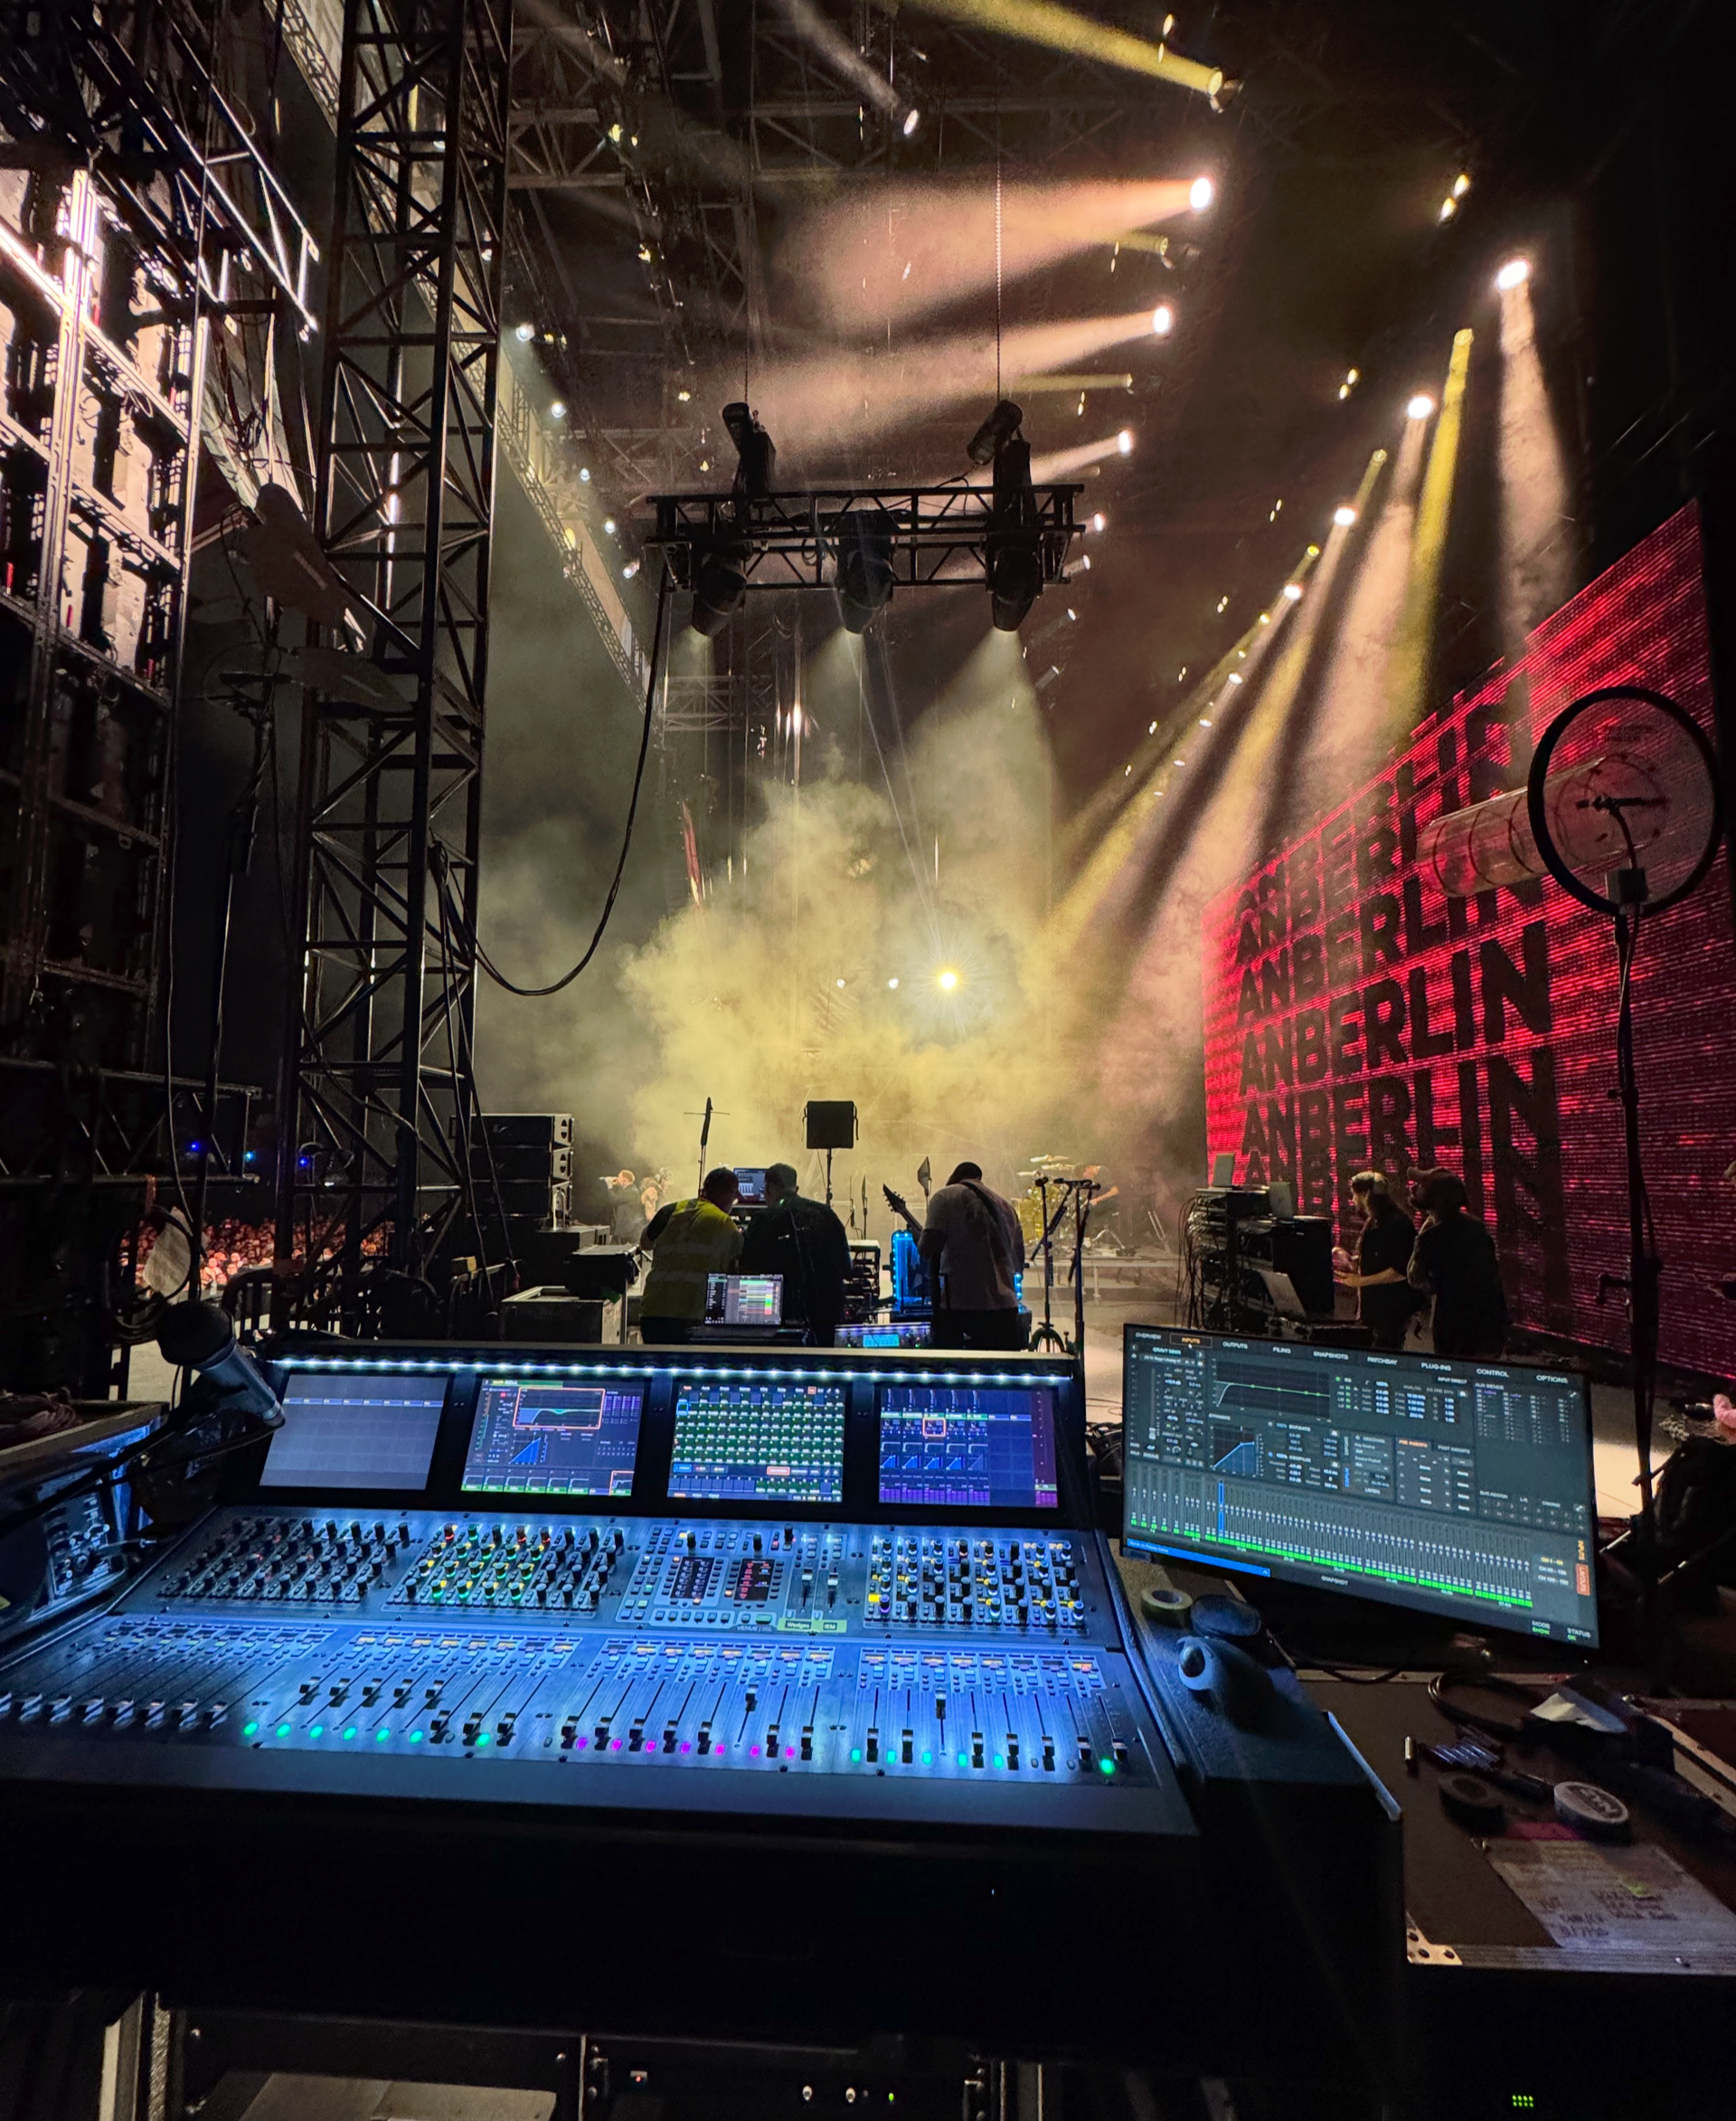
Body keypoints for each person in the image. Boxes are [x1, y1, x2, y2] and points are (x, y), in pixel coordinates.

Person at [740, 1162, 852, 1346]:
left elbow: (749, 1271)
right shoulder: (826, 1213)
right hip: (827, 1314)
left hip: (780, 1319)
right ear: (796, 1188)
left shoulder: (763, 1220)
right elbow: (846, 1266)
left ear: (768, 1189)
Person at [919, 1161, 1027, 1350]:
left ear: (953, 1178)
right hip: (1006, 1309)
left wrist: (919, 1237)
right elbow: (1018, 1262)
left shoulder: (944, 1197)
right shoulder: (1006, 1207)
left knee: (959, 1366)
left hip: (962, 1307)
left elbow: (926, 1249)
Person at [1406, 1166, 1509, 1358]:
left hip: (1453, 1328)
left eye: (1421, 1185)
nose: (1413, 1188)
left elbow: (1414, 1278)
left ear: (1437, 1198)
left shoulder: (1430, 1238)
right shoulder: (1477, 1227)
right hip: (1490, 1324)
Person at [637, 1167, 741, 1343]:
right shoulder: (723, 1222)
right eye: (733, 1198)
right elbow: (737, 1265)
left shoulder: (671, 1210)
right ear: (727, 1194)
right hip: (691, 1318)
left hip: (653, 1313)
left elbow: (645, 1242)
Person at [1333, 1170, 1419, 1351]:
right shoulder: (1375, 1221)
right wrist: (1353, 1261)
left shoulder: (1397, 1224)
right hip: (1374, 1312)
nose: (1353, 1200)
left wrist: (1360, 1282)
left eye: (1354, 1195)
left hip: (1390, 1313)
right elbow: (1381, 1258)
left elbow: (1399, 1271)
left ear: (1366, 1195)